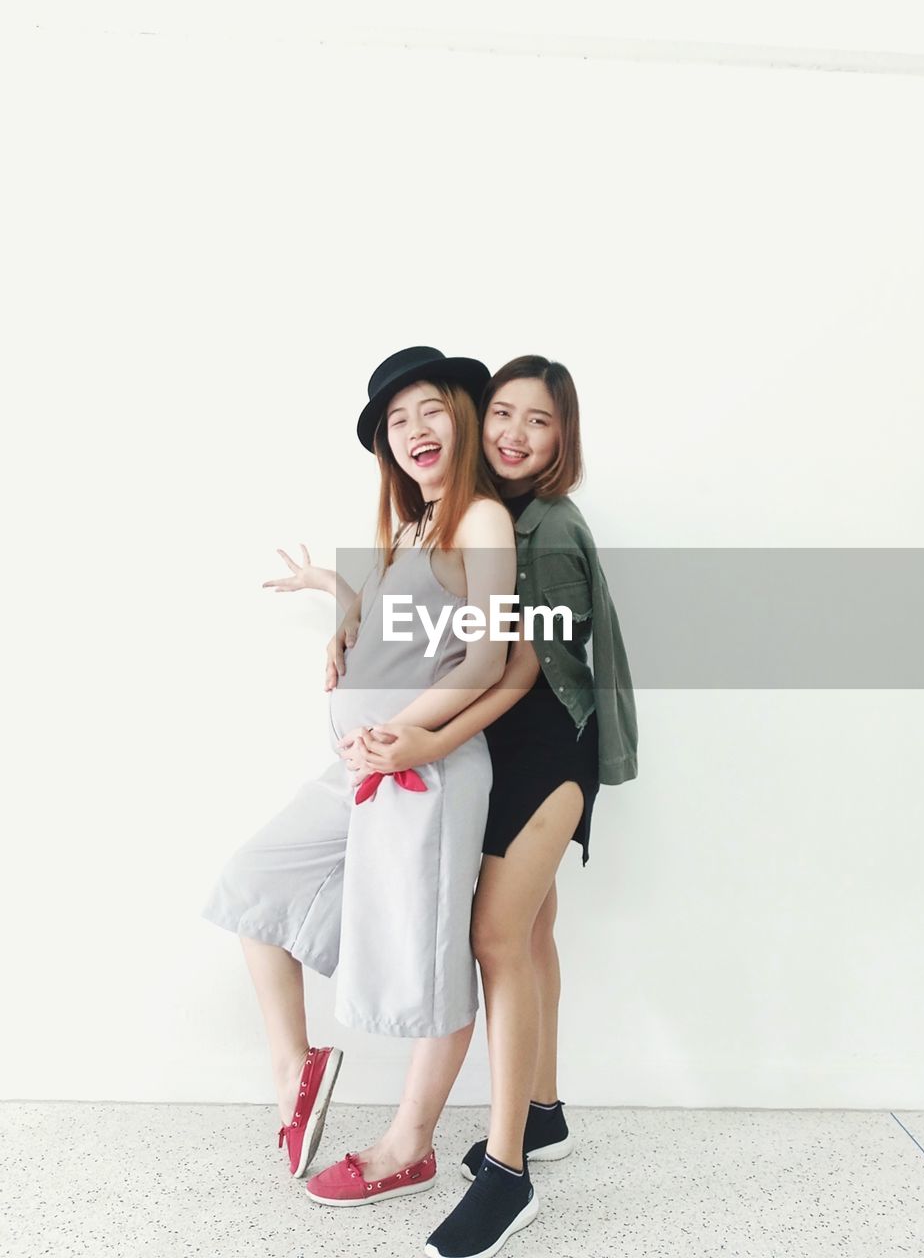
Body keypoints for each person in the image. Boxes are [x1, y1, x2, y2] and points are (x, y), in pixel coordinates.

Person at [202, 347, 519, 1205]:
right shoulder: (409, 527)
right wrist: (338, 599)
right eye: (396, 420)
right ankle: (295, 1067)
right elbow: (409, 618)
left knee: (429, 961)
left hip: (430, 772)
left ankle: (407, 1147)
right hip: (363, 770)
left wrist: (403, 733)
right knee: (251, 883)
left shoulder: (480, 520)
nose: (414, 430)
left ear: (460, 413)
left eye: (429, 411)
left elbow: (488, 656)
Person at [347, 355, 639, 1258]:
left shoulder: (544, 530)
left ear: (565, 438)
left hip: (546, 753)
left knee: (496, 941)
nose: (514, 433)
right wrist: (344, 619)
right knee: (535, 933)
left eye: (539, 422)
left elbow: (521, 670)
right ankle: (542, 1112)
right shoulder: (486, 515)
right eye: (502, 413)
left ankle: (508, 1175)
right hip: (504, 753)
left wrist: (427, 740)